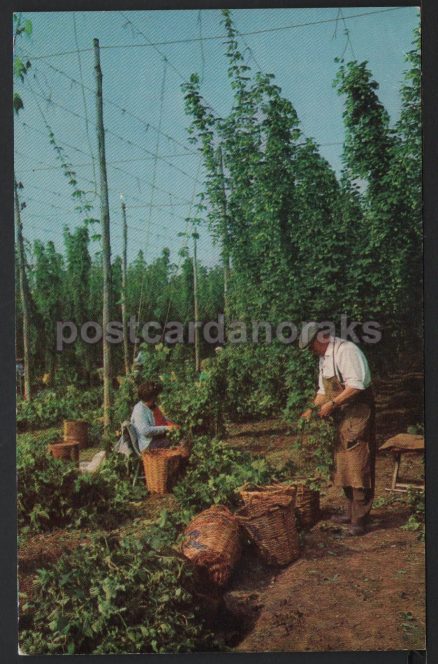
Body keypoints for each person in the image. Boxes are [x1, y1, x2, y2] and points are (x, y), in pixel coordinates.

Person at [298, 322, 376, 536]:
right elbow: (323, 390)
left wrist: (332, 404)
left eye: (311, 346)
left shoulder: (346, 351)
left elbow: (356, 385)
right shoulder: (325, 358)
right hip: (341, 414)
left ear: (320, 339)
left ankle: (360, 518)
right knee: (342, 462)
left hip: (358, 410)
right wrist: (312, 408)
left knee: (358, 460)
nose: (312, 352)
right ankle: (350, 512)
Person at [131, 381, 178, 452]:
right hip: (148, 444)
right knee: (175, 443)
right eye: (155, 396)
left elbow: (161, 418)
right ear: (151, 397)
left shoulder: (151, 406)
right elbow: (145, 431)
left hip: (155, 438)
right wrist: (167, 428)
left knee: (178, 438)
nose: (157, 398)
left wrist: (171, 423)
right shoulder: (139, 410)